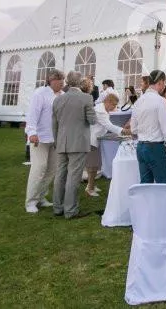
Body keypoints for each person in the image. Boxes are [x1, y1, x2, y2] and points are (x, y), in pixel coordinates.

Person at [52, 71, 97, 219]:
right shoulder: (86, 98)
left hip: (61, 141)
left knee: (60, 175)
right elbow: (92, 120)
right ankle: (70, 210)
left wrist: (56, 141)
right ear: (80, 82)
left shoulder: (58, 99)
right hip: (78, 142)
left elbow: (54, 124)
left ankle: (58, 207)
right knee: (73, 176)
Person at [131, 70, 166, 183]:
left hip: (141, 147)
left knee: (145, 185)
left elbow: (133, 129)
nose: (164, 87)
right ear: (160, 82)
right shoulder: (160, 101)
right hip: (155, 148)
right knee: (163, 185)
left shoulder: (138, 101)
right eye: (164, 83)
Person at [24, 69, 65, 213]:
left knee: (51, 170)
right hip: (40, 138)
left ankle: (41, 197)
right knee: (39, 169)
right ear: (51, 81)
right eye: (60, 82)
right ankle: (30, 202)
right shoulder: (40, 93)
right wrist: (32, 132)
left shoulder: (63, 95)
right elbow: (32, 115)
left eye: (63, 82)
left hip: (56, 138)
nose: (62, 84)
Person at [86, 93, 122, 196]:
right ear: (108, 102)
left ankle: (91, 186)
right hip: (91, 140)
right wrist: (122, 130)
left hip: (94, 140)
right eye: (113, 105)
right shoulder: (100, 111)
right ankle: (89, 189)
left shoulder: (102, 110)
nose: (114, 107)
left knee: (95, 166)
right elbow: (108, 126)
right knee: (92, 166)